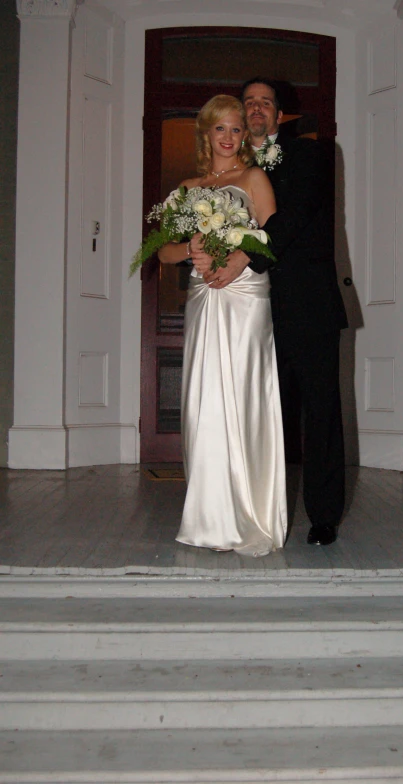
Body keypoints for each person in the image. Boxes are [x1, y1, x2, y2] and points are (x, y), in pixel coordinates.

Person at [201, 78, 348, 546]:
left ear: (279, 115)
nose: (257, 109)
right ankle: (266, 514)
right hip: (253, 308)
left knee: (320, 410)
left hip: (310, 303)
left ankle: (324, 515)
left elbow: (297, 213)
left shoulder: (309, 154)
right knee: (267, 415)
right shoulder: (234, 166)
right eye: (250, 102)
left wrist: (244, 255)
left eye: (266, 102)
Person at [158, 94, 287, 557]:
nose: (230, 137)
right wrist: (192, 246)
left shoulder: (254, 177)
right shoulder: (189, 188)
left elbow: (275, 238)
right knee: (204, 402)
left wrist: (236, 251)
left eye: (236, 129)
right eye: (221, 129)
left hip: (245, 297)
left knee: (245, 398)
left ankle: (250, 512)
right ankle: (209, 517)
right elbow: (162, 251)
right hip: (203, 298)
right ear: (206, 134)